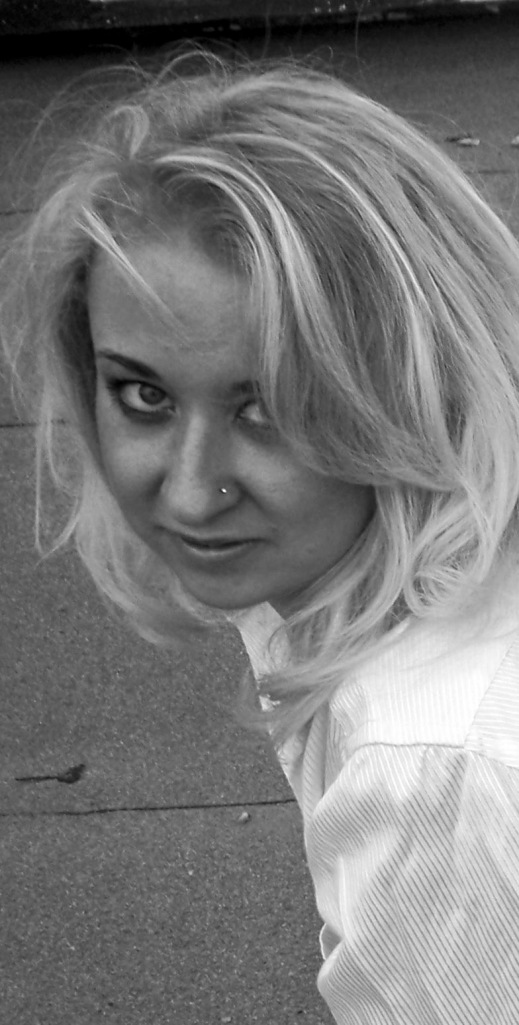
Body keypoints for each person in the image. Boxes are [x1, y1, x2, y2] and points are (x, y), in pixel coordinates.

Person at [3, 50, 519, 1024]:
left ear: (419, 381)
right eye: (143, 394)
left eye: (272, 404)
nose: (191, 493)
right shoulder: (351, 564)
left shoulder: (436, 764)